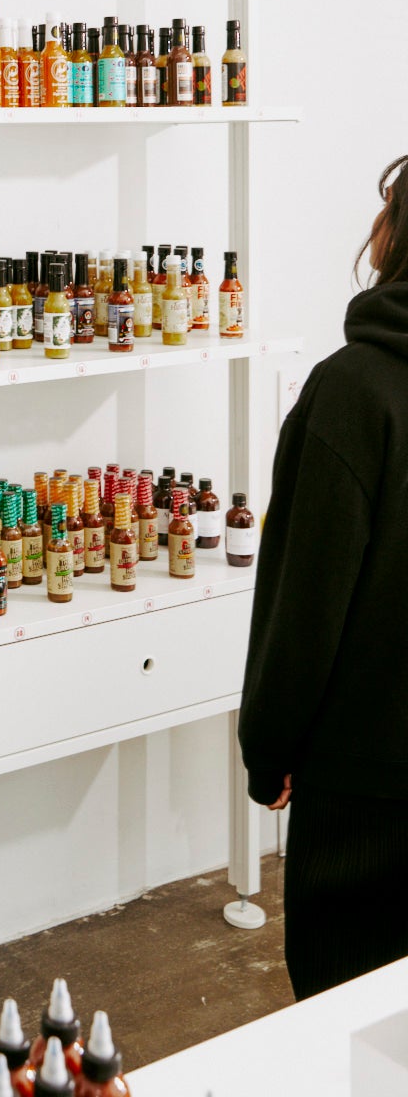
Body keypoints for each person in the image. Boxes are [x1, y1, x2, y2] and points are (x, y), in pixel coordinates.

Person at [239, 152, 408, 1000]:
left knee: (352, 1021)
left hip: (369, 795)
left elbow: (305, 607)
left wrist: (267, 753)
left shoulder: (353, 393)